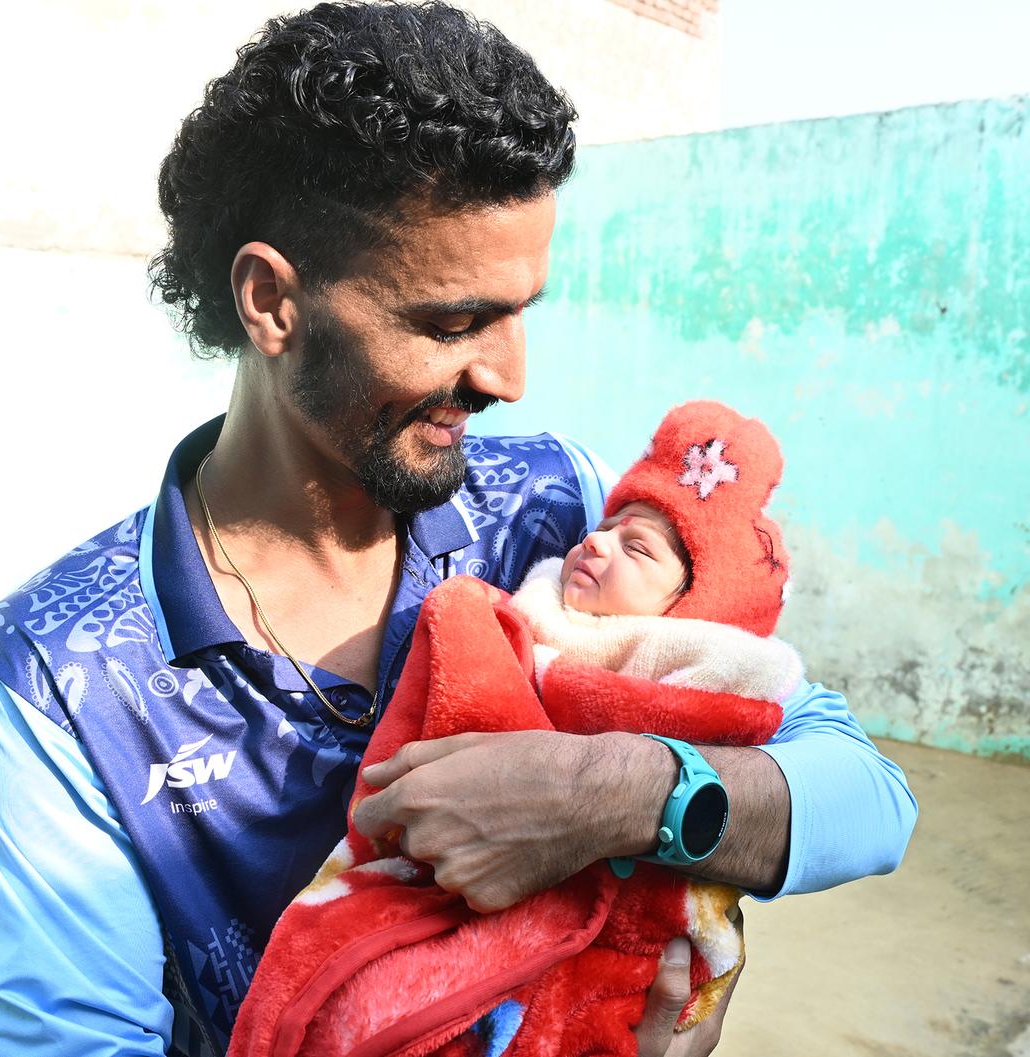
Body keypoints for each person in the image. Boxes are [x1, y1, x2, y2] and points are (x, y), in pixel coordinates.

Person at [0, 5, 918, 1057]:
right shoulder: (61, 670)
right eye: (454, 324)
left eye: (522, 312)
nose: (510, 376)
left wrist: (613, 795)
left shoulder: (557, 512)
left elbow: (863, 792)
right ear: (273, 300)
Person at [226, 401, 819, 1057]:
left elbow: (864, 796)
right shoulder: (515, 624)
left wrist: (628, 794)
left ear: (690, 609)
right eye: (607, 526)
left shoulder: (709, 683)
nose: (596, 540)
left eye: (637, 547)